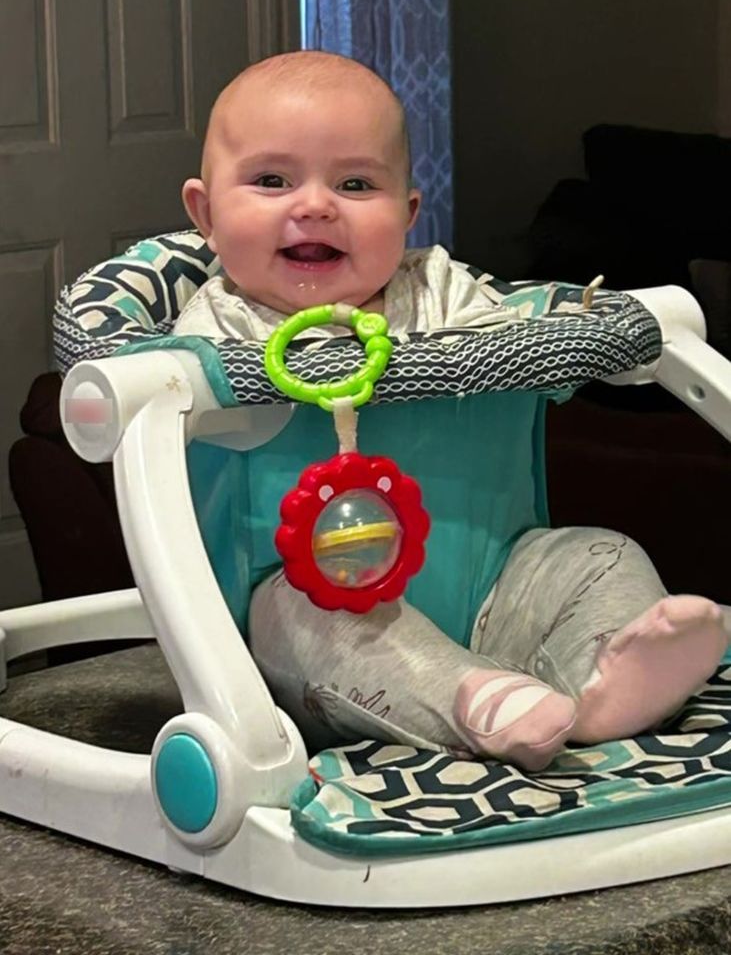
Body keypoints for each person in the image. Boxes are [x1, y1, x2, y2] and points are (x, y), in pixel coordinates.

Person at [175, 50, 728, 771]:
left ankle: (600, 684)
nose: (314, 205)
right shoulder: (214, 330)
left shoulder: (442, 294)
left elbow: (519, 335)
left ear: (406, 214)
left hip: (490, 585)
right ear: (206, 214)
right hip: (304, 621)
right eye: (272, 180)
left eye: (354, 183)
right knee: (296, 610)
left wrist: (573, 337)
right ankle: (477, 699)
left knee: (598, 553)